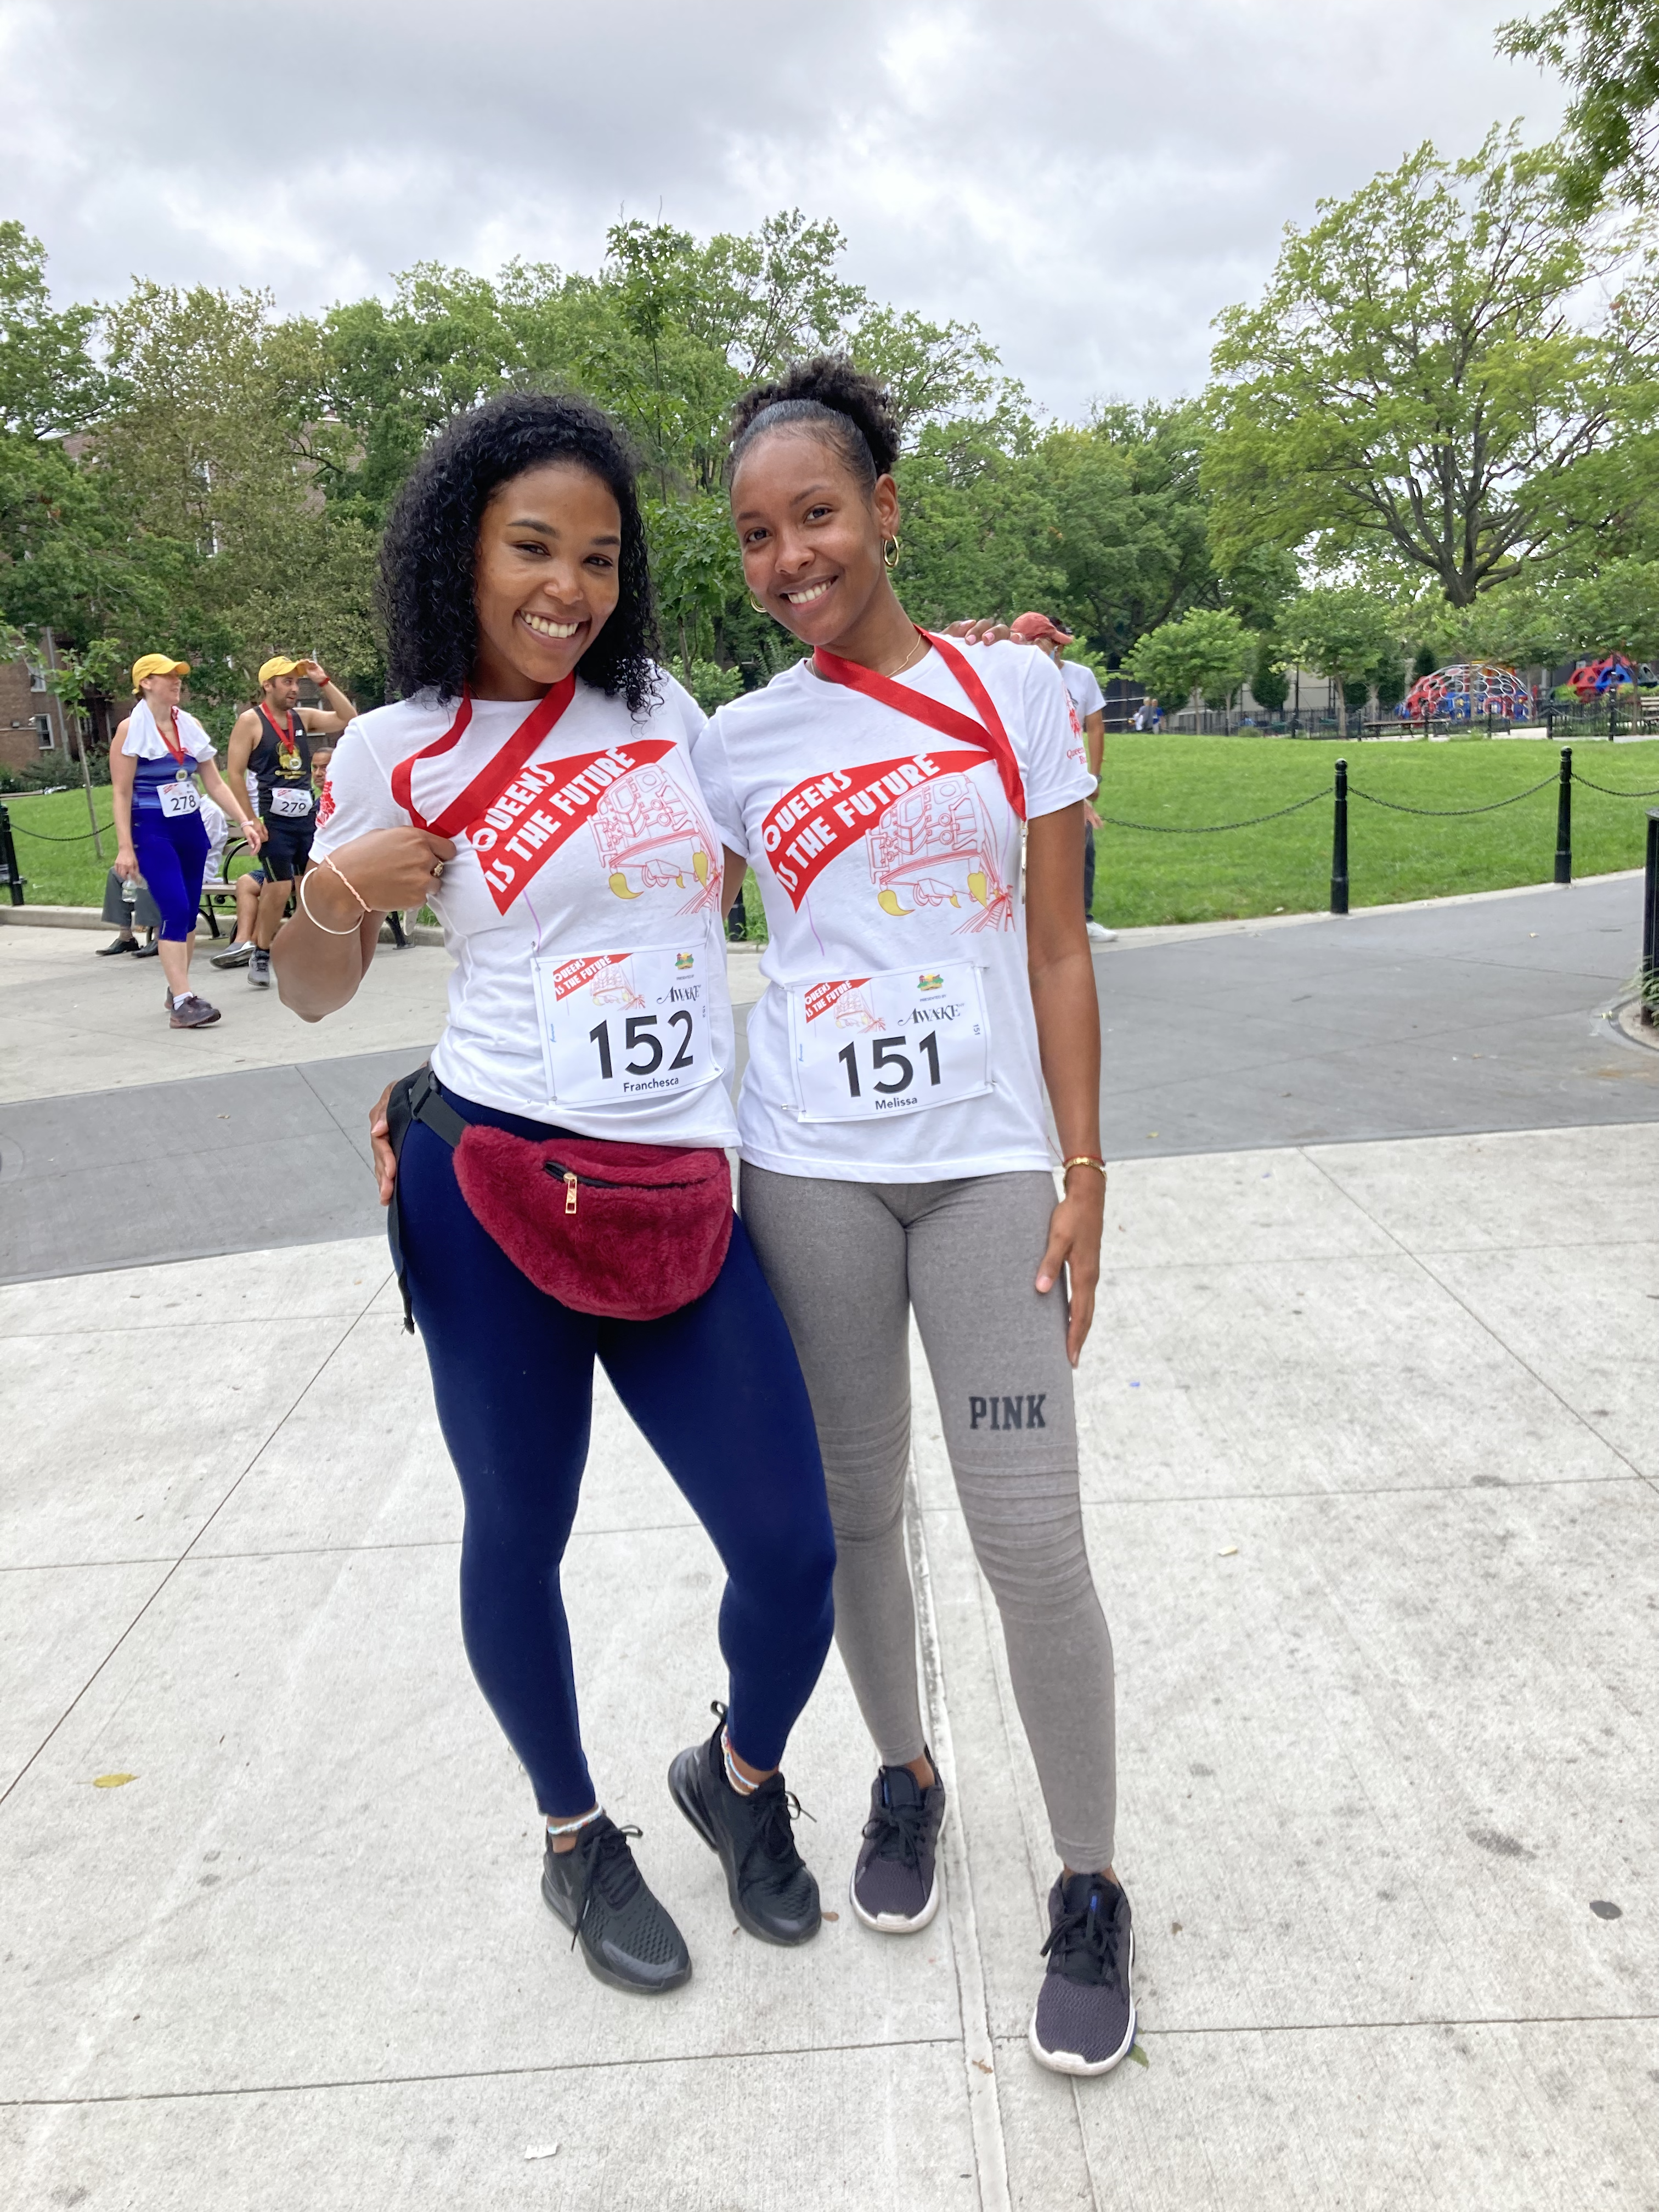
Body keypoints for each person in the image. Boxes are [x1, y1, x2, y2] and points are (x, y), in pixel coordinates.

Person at [273, 390, 837, 1996]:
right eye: (535, 548)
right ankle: (573, 1838)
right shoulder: (398, 746)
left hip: (675, 1193)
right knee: (520, 1529)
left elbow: (790, 843)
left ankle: (732, 1781)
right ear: (465, 549)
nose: (568, 588)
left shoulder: (660, 706)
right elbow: (314, 990)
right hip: (491, 1189)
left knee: (794, 1550)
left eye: (598, 556)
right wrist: (328, 889)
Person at [695, 356, 1133, 2078]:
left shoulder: (1013, 689)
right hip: (804, 1163)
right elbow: (609, 911)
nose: (789, 557)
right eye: (753, 536)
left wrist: (1088, 1172)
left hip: (983, 1168)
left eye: (816, 516)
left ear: (883, 510)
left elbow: (1056, 945)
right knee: (857, 1512)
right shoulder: (733, 747)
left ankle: (1090, 1878)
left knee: (1030, 1534)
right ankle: (905, 1768)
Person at [109, 654, 266, 1029]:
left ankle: (176, 986)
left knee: (189, 911)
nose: (178, 682)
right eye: (169, 676)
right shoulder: (130, 729)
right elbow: (120, 792)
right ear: (146, 682)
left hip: (190, 828)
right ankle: (184, 1001)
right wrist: (125, 847)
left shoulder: (189, 725)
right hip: (152, 829)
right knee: (176, 909)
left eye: (179, 676)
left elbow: (212, 781)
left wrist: (243, 820)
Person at [224, 656, 357, 987]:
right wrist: (250, 820)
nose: (295, 689)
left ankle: (306, 952)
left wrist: (323, 681)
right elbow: (235, 774)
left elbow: (348, 718)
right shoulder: (251, 722)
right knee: (279, 887)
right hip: (274, 820)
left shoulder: (303, 718)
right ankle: (261, 950)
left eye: (297, 683)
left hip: (305, 818)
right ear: (268, 685)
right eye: (287, 682)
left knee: (309, 887)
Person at [1009, 613, 1115, 944]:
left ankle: (1079, 918)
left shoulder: (1075, 678)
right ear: (1034, 644)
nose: (1058, 650)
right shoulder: (1010, 680)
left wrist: (1087, 785)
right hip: (1023, 786)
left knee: (1079, 847)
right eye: (1052, 644)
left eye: (1058, 644)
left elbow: (1078, 736)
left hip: (1063, 783)